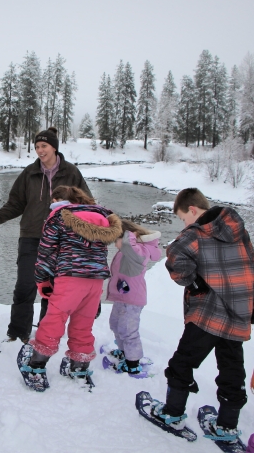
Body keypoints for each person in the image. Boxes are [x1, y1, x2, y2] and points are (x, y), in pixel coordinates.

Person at [149, 188, 253, 444]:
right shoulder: (238, 227)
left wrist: (194, 284)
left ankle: (172, 414)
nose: (185, 223)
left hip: (208, 313)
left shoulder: (195, 234)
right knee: (232, 368)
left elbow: (174, 258)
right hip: (238, 312)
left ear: (193, 210)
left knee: (183, 362)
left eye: (184, 218)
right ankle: (227, 426)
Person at [0, 127, 92, 344]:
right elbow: (16, 204)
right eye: (37, 147)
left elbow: (86, 203)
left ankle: (46, 333)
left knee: (52, 289)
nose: (40, 150)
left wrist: (94, 228)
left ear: (54, 147)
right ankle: (17, 332)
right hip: (31, 237)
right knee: (25, 285)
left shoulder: (71, 173)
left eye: (44, 146)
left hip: (61, 239)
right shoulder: (29, 173)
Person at [17, 185, 121, 391]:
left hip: (70, 277)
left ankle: (36, 366)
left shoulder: (57, 217)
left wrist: (43, 282)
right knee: (83, 324)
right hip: (95, 280)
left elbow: (45, 253)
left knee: (54, 321)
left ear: (57, 199)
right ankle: (79, 367)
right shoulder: (102, 217)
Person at [106, 219, 161, 376]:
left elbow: (131, 247)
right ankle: (124, 352)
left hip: (132, 300)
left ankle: (133, 362)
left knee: (128, 330)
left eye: (116, 240)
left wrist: (129, 236)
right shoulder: (127, 250)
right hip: (122, 297)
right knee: (116, 324)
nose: (114, 244)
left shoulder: (140, 252)